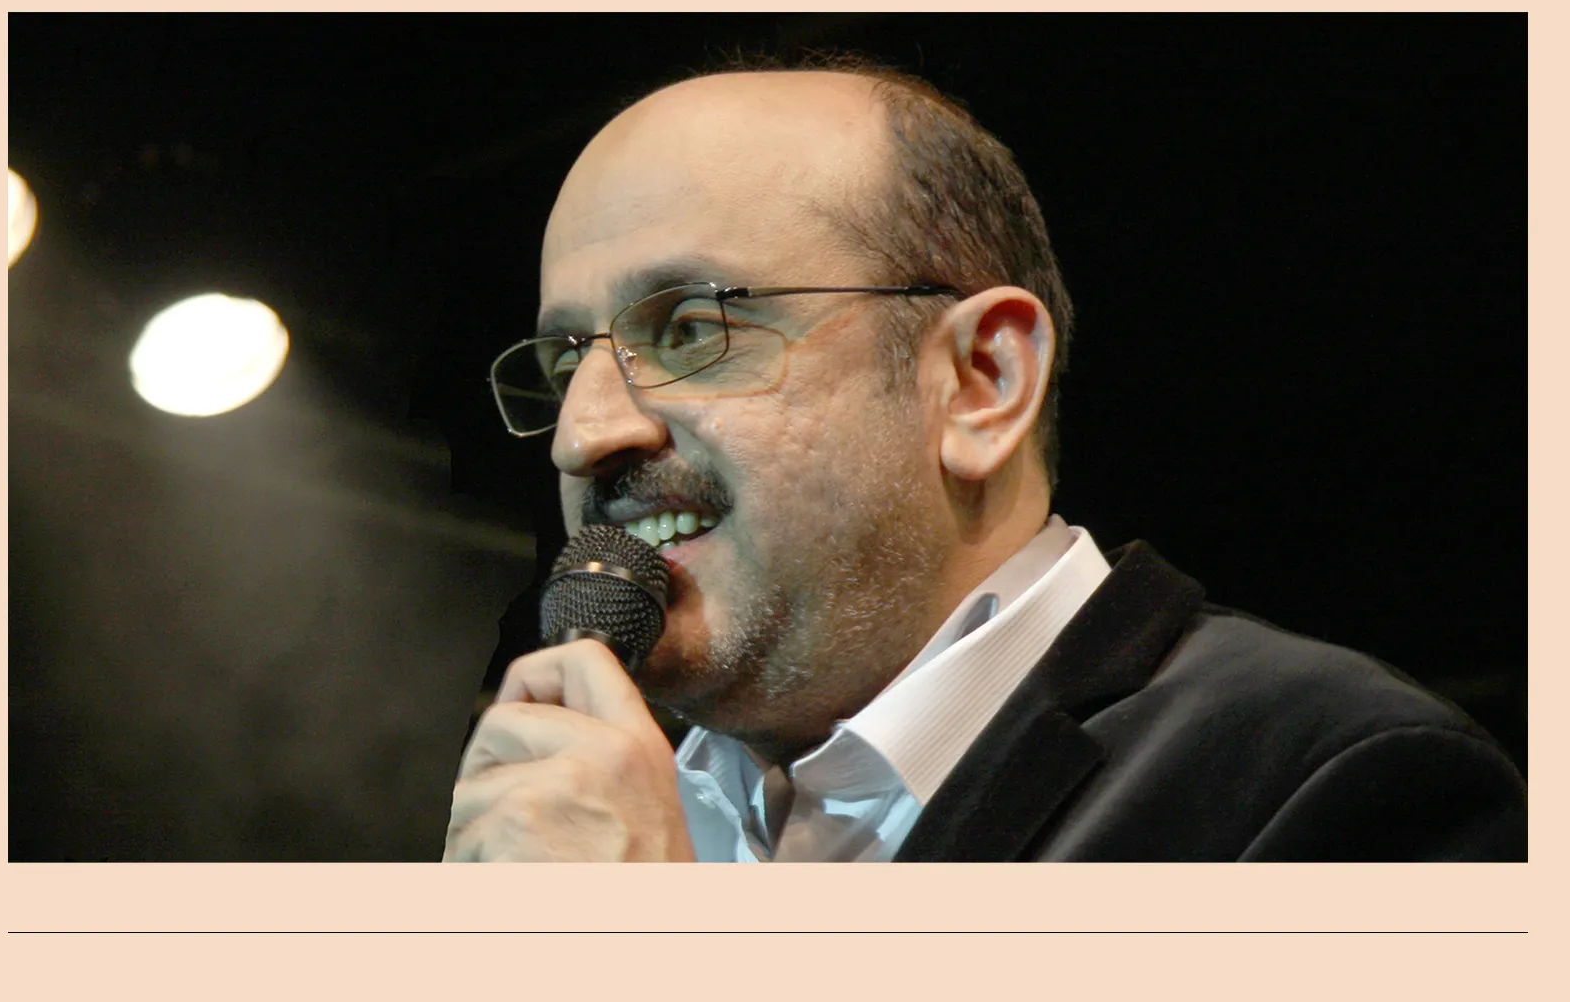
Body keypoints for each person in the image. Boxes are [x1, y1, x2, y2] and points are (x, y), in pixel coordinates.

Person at [444, 60, 1526, 862]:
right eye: (566, 359)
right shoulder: (581, 819)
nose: (585, 434)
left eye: (692, 330)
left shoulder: (1332, 783)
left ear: (980, 383)